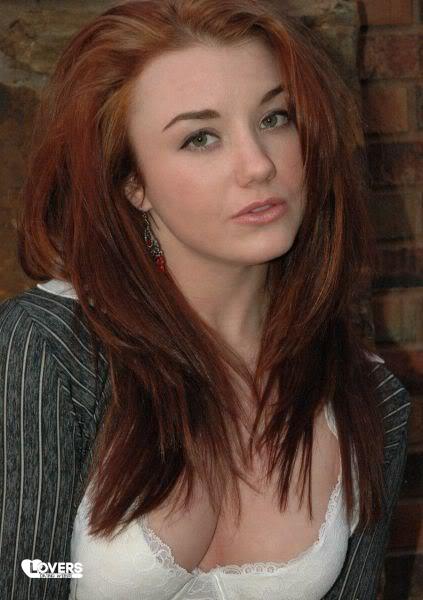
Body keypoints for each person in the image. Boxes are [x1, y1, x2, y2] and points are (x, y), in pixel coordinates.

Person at [0, 0, 411, 598]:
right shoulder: (49, 347)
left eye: (275, 118)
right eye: (200, 138)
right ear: (133, 183)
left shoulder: (368, 398)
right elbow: (25, 573)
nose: (258, 165)